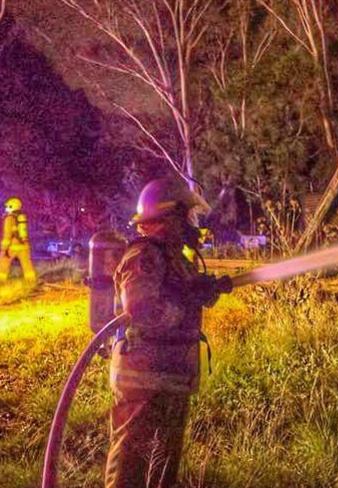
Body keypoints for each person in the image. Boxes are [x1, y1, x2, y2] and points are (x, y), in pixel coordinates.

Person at [105, 178, 232, 488]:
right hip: (144, 380)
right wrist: (186, 303)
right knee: (131, 464)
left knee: (164, 464)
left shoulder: (174, 257)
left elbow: (184, 294)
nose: (192, 224)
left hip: (170, 376)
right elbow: (142, 309)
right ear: (168, 216)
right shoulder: (144, 254)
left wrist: (207, 289)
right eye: (187, 216)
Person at [0, 196, 36, 282]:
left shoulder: (9, 218)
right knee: (27, 265)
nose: (6, 208)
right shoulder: (22, 217)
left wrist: (3, 249)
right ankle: (31, 282)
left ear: (12, 207)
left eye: (8, 206)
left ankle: (1, 282)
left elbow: (7, 235)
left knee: (3, 264)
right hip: (24, 246)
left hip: (12, 247)